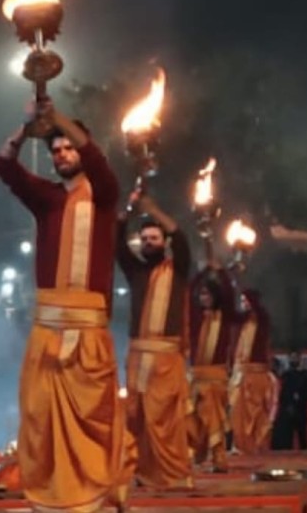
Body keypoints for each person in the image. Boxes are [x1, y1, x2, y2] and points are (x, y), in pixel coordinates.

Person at [0, 98, 128, 511]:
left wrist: (58, 119)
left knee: (93, 416)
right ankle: (51, 495)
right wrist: (26, 127)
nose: (63, 154)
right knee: (40, 414)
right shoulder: (47, 198)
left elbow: (98, 161)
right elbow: (4, 166)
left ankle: (92, 497)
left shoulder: (103, 195)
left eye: (69, 147)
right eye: (55, 150)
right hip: (47, 331)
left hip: (87, 333)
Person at [116, 195, 193, 489]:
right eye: (145, 239)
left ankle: (173, 475)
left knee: (166, 419)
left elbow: (182, 239)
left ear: (164, 243)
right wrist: (128, 211)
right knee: (136, 418)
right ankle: (144, 473)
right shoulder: (135, 271)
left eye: (154, 238)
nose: (149, 243)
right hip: (138, 359)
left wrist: (152, 210)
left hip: (165, 360)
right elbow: (117, 244)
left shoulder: (178, 269)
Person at [186, 261, 237, 471]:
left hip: (216, 377)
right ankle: (195, 456)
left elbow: (229, 295)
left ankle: (219, 458)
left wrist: (221, 272)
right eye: (201, 295)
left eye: (207, 294)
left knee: (214, 417)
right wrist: (203, 271)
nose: (204, 298)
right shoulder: (195, 317)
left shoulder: (224, 316)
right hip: (196, 377)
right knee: (194, 420)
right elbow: (189, 291)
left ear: (215, 296)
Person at [228, 290, 278, 454]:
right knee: (238, 411)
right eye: (242, 301)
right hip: (242, 374)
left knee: (258, 412)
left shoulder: (261, 319)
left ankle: (257, 446)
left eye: (246, 301)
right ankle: (240, 445)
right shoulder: (243, 322)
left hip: (257, 375)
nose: (243, 304)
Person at [274, 350, 307, 450]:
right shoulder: (286, 375)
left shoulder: (306, 374)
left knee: (302, 433)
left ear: (300, 359)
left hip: (301, 407)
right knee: (288, 434)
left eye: (295, 357)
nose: (294, 360)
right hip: (288, 407)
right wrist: (287, 405)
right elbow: (283, 392)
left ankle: (305, 452)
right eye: (292, 358)